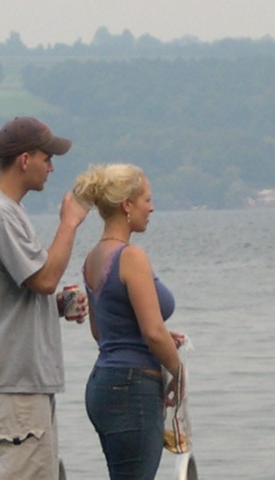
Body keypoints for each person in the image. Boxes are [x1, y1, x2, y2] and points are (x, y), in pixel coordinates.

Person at [0, 116, 89, 480]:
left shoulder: (7, 212)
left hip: (20, 388)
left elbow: (20, 294)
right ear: (24, 160)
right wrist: (69, 223)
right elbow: (45, 278)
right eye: (46, 157)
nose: (51, 167)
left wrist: (55, 309)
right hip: (13, 389)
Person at [72, 163, 186, 480]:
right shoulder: (131, 257)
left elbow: (101, 332)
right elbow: (152, 332)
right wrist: (178, 373)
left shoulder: (92, 259)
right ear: (127, 205)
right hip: (133, 389)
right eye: (147, 199)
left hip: (102, 384)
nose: (151, 207)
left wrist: (158, 335)